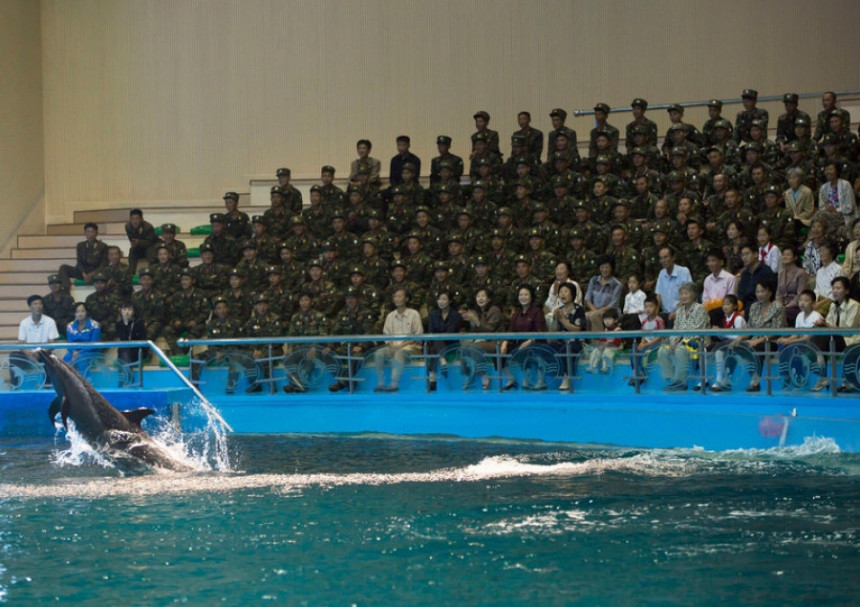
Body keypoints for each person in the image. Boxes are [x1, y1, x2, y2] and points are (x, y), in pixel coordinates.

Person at [657, 282, 709, 390]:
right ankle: (672, 380)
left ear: (694, 294)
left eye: (687, 293)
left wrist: (682, 342)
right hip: (682, 341)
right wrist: (673, 342)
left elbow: (697, 329)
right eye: (681, 294)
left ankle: (681, 382)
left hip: (699, 341)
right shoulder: (680, 310)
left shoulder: (700, 308)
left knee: (680, 350)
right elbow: (676, 329)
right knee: (662, 350)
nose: (683, 296)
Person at [814, 277, 860, 391]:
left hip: (851, 340)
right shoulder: (833, 306)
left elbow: (848, 330)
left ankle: (823, 377)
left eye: (838, 288)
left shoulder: (855, 305)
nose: (834, 291)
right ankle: (822, 376)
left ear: (847, 291)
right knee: (818, 335)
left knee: (822, 338)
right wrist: (822, 323)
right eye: (833, 288)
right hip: (835, 339)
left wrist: (827, 325)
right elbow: (829, 323)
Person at [776, 290, 827, 392]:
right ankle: (787, 376)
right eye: (801, 300)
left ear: (813, 303)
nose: (802, 303)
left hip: (812, 347)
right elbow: (796, 333)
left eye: (806, 300)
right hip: (800, 344)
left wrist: (790, 342)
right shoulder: (799, 315)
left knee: (793, 350)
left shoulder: (816, 316)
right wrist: (786, 339)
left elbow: (808, 337)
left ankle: (799, 380)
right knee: (782, 345)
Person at [374, 287, 423, 393]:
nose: (396, 299)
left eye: (399, 296)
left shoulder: (414, 314)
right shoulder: (390, 316)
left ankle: (394, 384)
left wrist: (399, 347)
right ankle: (381, 383)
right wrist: (391, 346)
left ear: (406, 299)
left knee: (399, 353)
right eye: (395, 297)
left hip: (411, 348)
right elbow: (387, 335)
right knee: (379, 353)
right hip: (393, 347)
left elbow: (417, 336)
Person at [500, 284, 548, 391]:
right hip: (520, 344)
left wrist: (530, 341)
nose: (523, 297)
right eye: (521, 295)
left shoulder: (537, 312)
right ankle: (511, 379)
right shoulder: (516, 314)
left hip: (537, 342)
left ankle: (540, 380)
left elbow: (541, 331)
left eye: (526, 294)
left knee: (527, 350)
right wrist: (505, 343)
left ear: (531, 297)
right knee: (499, 351)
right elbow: (510, 331)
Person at [460, 287, 503, 390]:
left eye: (483, 296)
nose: (480, 298)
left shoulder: (494, 310)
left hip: (495, 341)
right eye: (478, 296)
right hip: (481, 341)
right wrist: (471, 321)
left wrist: (476, 321)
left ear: (489, 299)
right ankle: (468, 374)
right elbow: (475, 332)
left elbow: (490, 330)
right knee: (464, 347)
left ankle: (484, 376)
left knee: (475, 347)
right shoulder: (477, 311)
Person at [14, 295, 60, 387]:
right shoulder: (24, 322)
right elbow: (21, 343)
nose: (38, 306)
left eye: (40, 303)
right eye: (35, 304)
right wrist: (29, 354)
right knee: (14, 357)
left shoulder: (50, 321)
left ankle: (48, 387)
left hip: (44, 353)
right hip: (29, 354)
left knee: (51, 359)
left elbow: (52, 343)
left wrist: (40, 353)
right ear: (30, 307)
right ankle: (16, 386)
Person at [548, 282, 585, 391]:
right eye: (560, 292)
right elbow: (554, 331)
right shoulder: (559, 310)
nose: (562, 294)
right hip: (561, 341)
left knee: (566, 349)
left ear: (572, 294)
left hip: (576, 341)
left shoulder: (579, 310)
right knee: (549, 348)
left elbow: (577, 330)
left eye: (566, 291)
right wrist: (555, 319)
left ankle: (566, 377)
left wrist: (562, 320)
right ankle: (548, 376)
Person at [426, 291, 463, 391]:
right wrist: (438, 335)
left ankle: (432, 379)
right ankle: (442, 361)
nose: (441, 302)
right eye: (439, 299)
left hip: (451, 344)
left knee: (435, 347)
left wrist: (438, 334)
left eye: (444, 299)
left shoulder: (456, 315)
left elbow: (451, 332)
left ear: (450, 301)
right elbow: (431, 331)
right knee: (435, 345)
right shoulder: (433, 314)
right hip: (438, 344)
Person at [709, 294, 747, 391]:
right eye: (724, 304)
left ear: (735, 306)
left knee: (719, 351)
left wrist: (722, 332)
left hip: (741, 345)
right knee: (712, 348)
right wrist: (717, 332)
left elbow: (738, 337)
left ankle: (719, 380)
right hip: (730, 344)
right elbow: (725, 337)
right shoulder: (726, 318)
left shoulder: (738, 319)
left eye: (728, 304)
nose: (725, 306)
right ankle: (718, 379)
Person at [57, 222, 108, 293]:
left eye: (92, 231)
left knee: (106, 273)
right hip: (83, 272)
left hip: (96, 272)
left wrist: (92, 274)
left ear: (97, 233)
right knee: (63, 268)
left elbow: (104, 264)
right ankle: (66, 291)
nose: (90, 234)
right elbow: (79, 262)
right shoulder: (80, 245)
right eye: (88, 231)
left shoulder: (102, 246)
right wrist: (83, 274)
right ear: (84, 233)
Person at [631, 295, 664, 386]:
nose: (648, 309)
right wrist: (642, 343)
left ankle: (642, 373)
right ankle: (635, 374)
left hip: (655, 346)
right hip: (646, 345)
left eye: (651, 306)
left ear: (656, 308)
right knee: (633, 351)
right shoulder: (644, 321)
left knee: (644, 353)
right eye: (646, 307)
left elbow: (660, 336)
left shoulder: (659, 320)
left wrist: (647, 345)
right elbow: (644, 335)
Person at [654, 246, 692, 324]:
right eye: (661, 258)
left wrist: (678, 312)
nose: (663, 260)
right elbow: (658, 295)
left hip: (683, 311)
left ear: (673, 258)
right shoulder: (661, 273)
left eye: (666, 257)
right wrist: (655, 313)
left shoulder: (684, 271)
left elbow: (689, 294)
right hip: (665, 313)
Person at [584, 255, 622, 331]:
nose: (604, 270)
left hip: (610, 313)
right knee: (585, 315)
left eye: (607, 267)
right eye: (602, 267)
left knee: (594, 316)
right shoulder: (594, 280)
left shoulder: (617, 284)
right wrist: (594, 310)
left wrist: (597, 312)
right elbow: (587, 299)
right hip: (594, 310)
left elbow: (613, 304)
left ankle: (597, 340)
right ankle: (587, 340)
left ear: (612, 268)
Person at [737, 243, 776, 318]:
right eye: (742, 255)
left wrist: (746, 311)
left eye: (747, 254)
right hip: (744, 307)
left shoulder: (766, 271)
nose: (744, 257)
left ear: (755, 254)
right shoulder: (745, 274)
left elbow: (769, 295)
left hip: (761, 306)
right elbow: (741, 295)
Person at [818, 161, 857, 231]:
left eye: (830, 169)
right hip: (827, 216)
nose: (828, 172)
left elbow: (850, 207)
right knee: (818, 218)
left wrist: (835, 210)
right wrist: (827, 209)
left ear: (837, 171)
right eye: (826, 170)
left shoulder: (845, 184)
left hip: (843, 216)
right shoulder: (823, 187)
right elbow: (821, 207)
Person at [776, 247, 809, 326]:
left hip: (797, 305)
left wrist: (785, 307)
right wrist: (779, 305)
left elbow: (800, 294)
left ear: (795, 257)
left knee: (784, 313)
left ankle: (785, 335)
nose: (785, 257)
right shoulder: (780, 273)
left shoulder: (801, 273)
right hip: (783, 305)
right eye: (783, 255)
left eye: (788, 255)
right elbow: (778, 293)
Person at [63, 302, 102, 370]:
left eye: (82, 311)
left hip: (91, 352)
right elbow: (69, 344)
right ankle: (67, 380)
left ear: (86, 312)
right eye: (77, 312)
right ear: (74, 313)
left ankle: (85, 379)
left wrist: (79, 352)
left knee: (81, 358)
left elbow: (94, 344)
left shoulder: (95, 325)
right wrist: (74, 352)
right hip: (74, 351)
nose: (80, 314)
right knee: (66, 359)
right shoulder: (70, 326)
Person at [586, 308, 622, 374]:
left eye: (609, 319)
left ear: (616, 320)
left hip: (614, 348)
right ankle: (592, 366)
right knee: (596, 351)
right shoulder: (606, 329)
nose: (607, 321)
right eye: (605, 319)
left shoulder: (618, 330)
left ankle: (606, 367)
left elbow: (617, 343)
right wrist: (602, 344)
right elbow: (602, 340)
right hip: (606, 346)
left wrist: (607, 343)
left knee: (607, 352)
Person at [115, 301, 147, 367]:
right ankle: (126, 375)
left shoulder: (139, 323)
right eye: (124, 310)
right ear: (120, 312)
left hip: (138, 350)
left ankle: (127, 376)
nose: (127, 312)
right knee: (124, 352)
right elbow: (124, 338)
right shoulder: (119, 324)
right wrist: (125, 324)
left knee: (125, 354)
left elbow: (143, 339)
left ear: (134, 312)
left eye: (129, 310)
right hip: (124, 351)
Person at [125, 209, 158, 274]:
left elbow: (150, 241)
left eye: (137, 218)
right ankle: (131, 273)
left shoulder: (148, 227)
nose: (135, 221)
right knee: (132, 251)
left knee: (150, 251)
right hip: (138, 247)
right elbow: (131, 239)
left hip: (149, 246)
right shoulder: (128, 227)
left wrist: (139, 242)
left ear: (141, 219)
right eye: (132, 219)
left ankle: (153, 272)